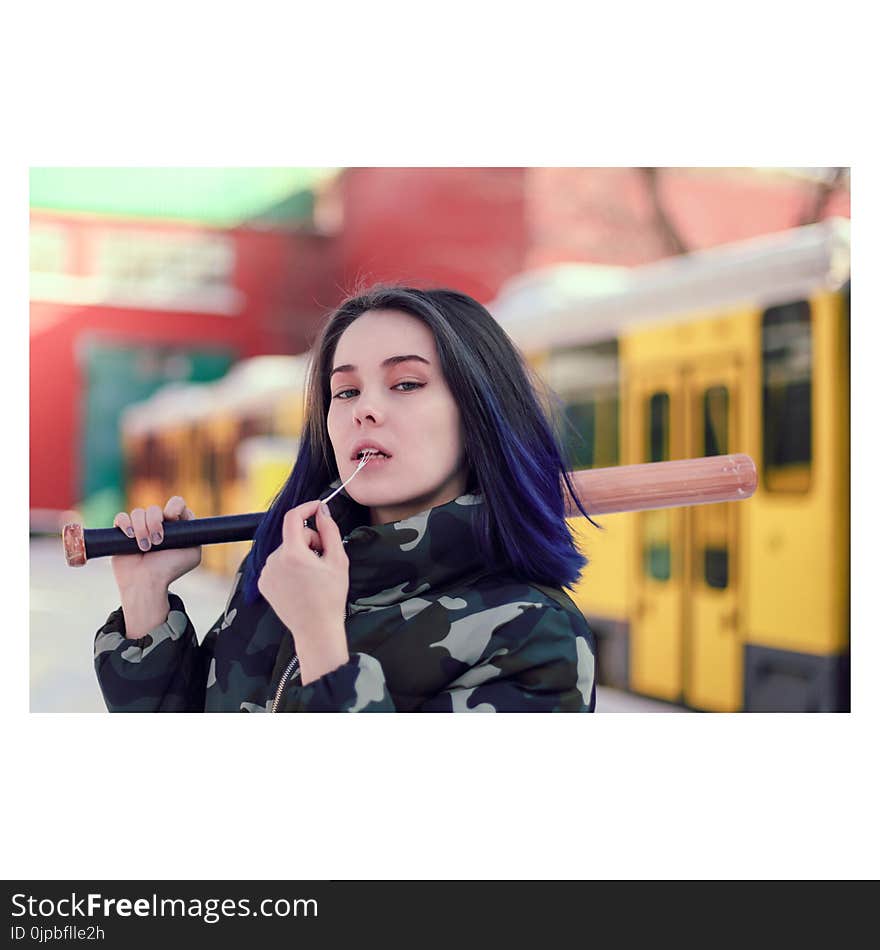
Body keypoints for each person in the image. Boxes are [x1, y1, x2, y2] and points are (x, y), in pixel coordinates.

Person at [94, 286, 598, 712]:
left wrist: (320, 639)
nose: (366, 410)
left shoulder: (536, 636)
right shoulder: (283, 568)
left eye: (406, 383)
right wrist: (146, 602)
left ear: (479, 415)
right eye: (346, 391)